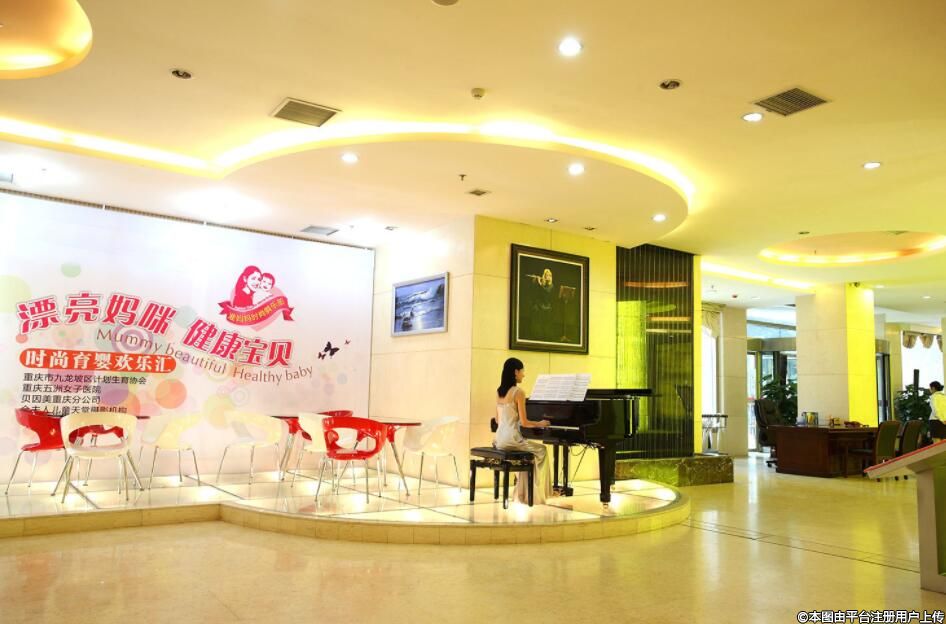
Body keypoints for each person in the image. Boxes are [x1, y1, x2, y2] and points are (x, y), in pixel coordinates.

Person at [492, 357, 552, 504]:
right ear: (516, 372)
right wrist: (540, 423)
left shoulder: (499, 392)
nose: (524, 375)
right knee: (542, 450)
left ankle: (523, 491)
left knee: (529, 456)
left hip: (499, 440)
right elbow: (525, 422)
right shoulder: (519, 392)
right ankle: (538, 492)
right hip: (512, 439)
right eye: (522, 371)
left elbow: (498, 420)